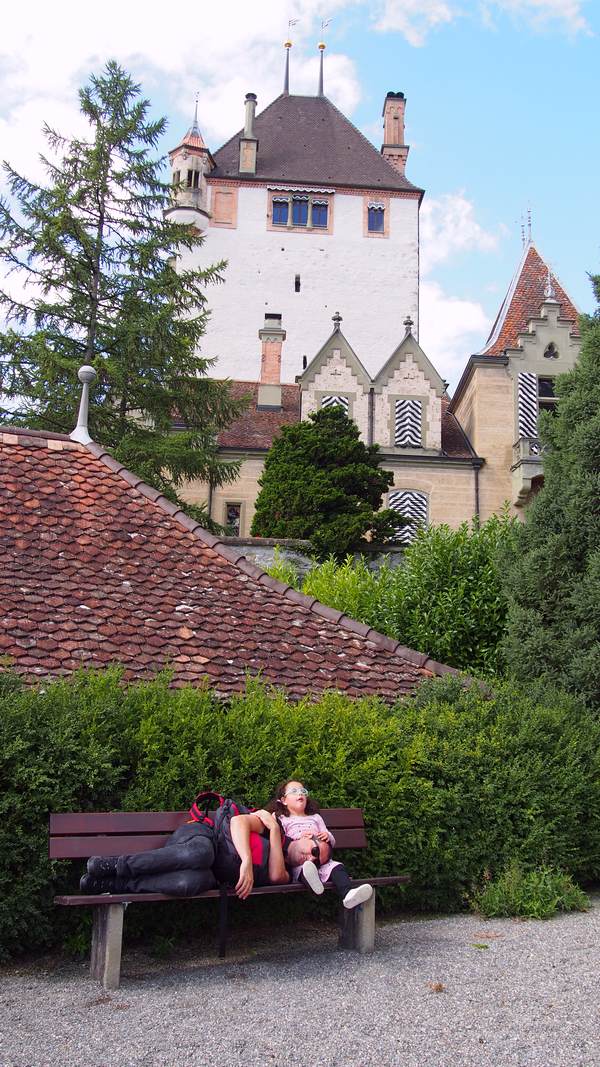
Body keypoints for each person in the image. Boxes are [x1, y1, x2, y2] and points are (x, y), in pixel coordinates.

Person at [81, 805, 288, 900]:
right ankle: (117, 865)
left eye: (316, 858)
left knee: (187, 883)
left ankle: (114, 885)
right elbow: (238, 821)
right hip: (205, 838)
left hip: (213, 876)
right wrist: (247, 862)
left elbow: (277, 876)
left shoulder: (285, 867)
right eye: (313, 848)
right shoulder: (270, 824)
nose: (311, 854)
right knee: (200, 854)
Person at [269, 779, 372, 909]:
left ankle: (348, 894)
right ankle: (314, 883)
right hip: (302, 860)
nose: (300, 794)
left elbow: (331, 840)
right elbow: (283, 841)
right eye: (294, 791)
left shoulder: (315, 817)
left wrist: (326, 836)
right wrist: (299, 838)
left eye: (303, 791)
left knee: (336, 868)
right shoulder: (283, 819)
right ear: (284, 800)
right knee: (305, 870)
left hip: (323, 859)